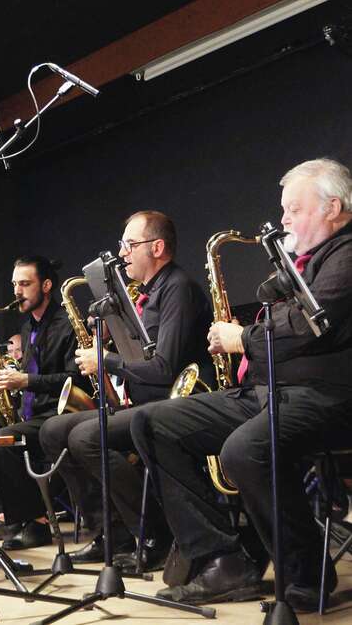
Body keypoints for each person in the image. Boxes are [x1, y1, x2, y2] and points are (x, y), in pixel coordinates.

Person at [130, 158, 352, 611]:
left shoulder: (348, 253)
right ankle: (222, 560)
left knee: (244, 449)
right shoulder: (302, 262)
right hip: (268, 392)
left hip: (328, 395)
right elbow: (286, 327)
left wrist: (243, 337)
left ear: (334, 207)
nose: (284, 218)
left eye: (294, 208)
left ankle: (307, 573)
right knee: (152, 423)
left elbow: (315, 324)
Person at [40, 210, 214, 570]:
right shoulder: (145, 294)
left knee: (87, 437)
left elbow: (165, 368)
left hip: (171, 405)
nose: (122, 253)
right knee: (53, 430)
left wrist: (107, 360)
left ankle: (152, 533)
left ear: (158, 247)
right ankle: (111, 530)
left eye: (130, 245)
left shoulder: (177, 288)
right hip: (141, 401)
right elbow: (138, 355)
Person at [0, 255, 88, 549]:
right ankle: (4, 512)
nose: (17, 291)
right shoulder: (28, 328)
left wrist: (25, 381)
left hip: (58, 416)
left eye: (25, 284)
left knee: (4, 439)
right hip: (30, 417)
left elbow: (74, 380)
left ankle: (37, 522)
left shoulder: (66, 325)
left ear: (47, 285)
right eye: (15, 284)